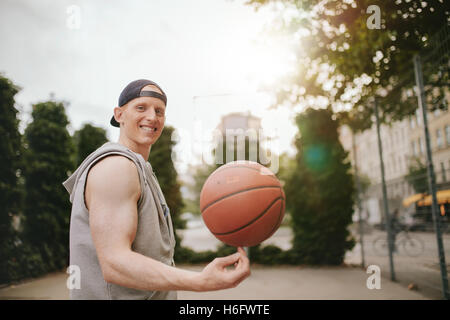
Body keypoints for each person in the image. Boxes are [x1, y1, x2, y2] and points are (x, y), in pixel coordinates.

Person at [63, 79, 250, 300]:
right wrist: (200, 281)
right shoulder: (116, 167)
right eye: (141, 107)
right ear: (119, 114)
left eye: (159, 111)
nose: (152, 117)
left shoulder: (139, 169)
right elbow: (115, 263)